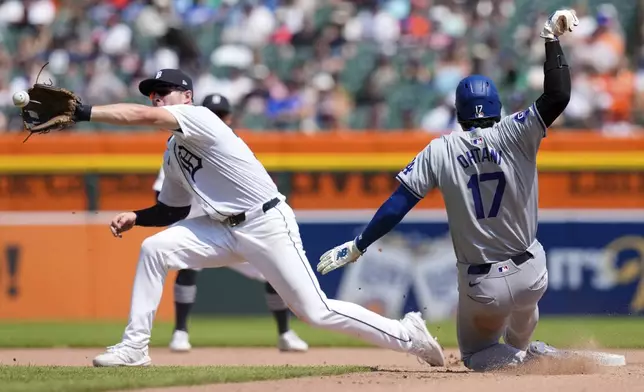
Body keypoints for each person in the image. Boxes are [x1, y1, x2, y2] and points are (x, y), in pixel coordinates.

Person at [83, 68, 444, 367]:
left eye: (165, 91)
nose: (157, 98)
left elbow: (140, 116)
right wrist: (136, 215)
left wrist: (85, 112)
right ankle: (134, 348)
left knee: (315, 312)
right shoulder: (174, 153)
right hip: (222, 228)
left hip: (266, 223)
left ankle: (407, 334)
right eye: (153, 93)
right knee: (154, 249)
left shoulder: (200, 117)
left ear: (187, 97)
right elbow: (172, 210)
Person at [316, 10, 578, 372]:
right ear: (496, 106)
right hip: (533, 272)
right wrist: (551, 39)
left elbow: (397, 204)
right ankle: (529, 350)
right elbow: (559, 94)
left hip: (483, 284)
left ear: (459, 111)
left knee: (476, 355)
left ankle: (522, 360)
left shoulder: (440, 148)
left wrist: (359, 245)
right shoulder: (517, 132)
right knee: (525, 302)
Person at [153, 93, 308, 353]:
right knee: (185, 267)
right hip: (201, 226)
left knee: (274, 272)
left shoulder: (233, 146)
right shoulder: (179, 147)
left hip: (242, 226)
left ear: (229, 117)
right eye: (211, 113)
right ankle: (180, 332)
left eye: (220, 114)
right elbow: (162, 195)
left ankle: (285, 332)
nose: (216, 118)